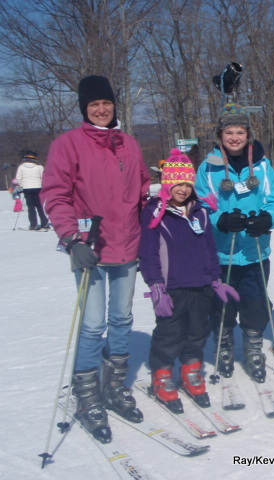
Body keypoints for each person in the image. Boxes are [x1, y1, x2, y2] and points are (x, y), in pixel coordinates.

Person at [41, 75, 150, 442]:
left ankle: (114, 384)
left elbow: (143, 187)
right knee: (92, 325)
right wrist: (71, 240)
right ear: (84, 109)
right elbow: (55, 194)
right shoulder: (68, 144)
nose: (101, 110)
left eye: (106, 103)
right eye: (93, 106)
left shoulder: (129, 144)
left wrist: (170, 196)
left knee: (122, 319)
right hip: (90, 248)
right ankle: (86, 392)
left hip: (127, 247)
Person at [139, 149, 238, 411]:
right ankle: (161, 376)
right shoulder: (155, 213)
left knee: (197, 331)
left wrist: (216, 281)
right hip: (172, 288)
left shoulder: (200, 213)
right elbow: (148, 253)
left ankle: (191, 370)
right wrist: (156, 287)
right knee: (169, 333)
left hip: (201, 285)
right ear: (167, 184)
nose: (182, 190)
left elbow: (209, 249)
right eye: (177, 184)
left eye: (186, 184)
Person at [195, 103, 274, 383]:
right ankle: (224, 345)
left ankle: (254, 346)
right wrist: (220, 219)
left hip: (254, 249)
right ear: (220, 135)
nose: (234, 137)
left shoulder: (263, 165)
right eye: (229, 132)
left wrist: (267, 218)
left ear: (248, 135)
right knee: (223, 305)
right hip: (222, 253)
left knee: (255, 303)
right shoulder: (208, 167)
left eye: (240, 132)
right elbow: (201, 204)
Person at [16, 150, 49, 230]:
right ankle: (44, 223)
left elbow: (18, 178)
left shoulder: (21, 167)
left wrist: (22, 185)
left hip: (27, 188)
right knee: (39, 206)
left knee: (31, 207)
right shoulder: (39, 167)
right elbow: (43, 178)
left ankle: (33, 224)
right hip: (37, 188)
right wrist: (41, 185)